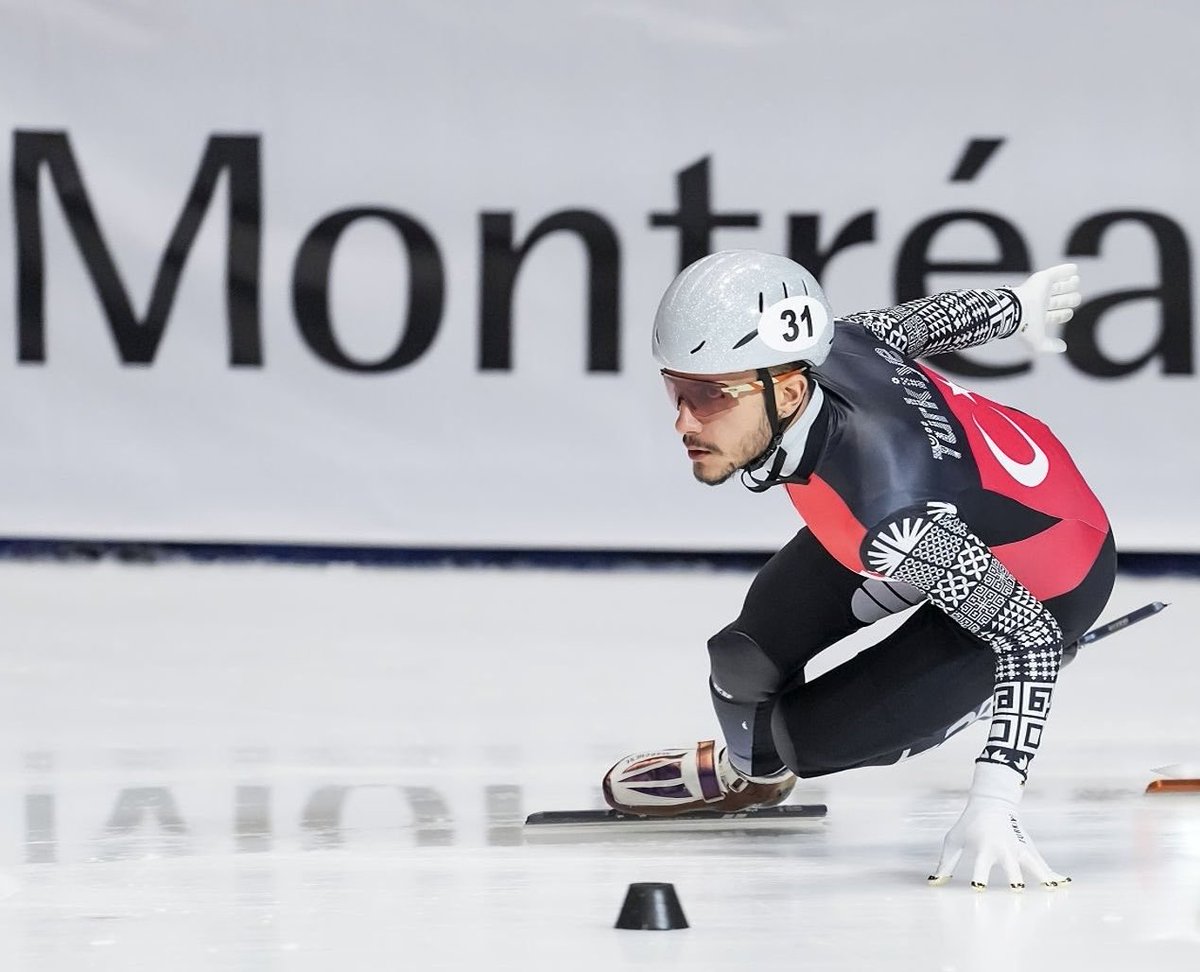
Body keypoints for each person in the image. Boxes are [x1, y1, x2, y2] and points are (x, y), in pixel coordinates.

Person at [603, 251, 1115, 892]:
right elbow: (921, 321)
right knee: (742, 657)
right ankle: (750, 774)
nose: (683, 420)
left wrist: (995, 800)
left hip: (1049, 578)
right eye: (676, 389)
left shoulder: (889, 515)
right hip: (946, 515)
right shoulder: (833, 345)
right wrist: (1021, 306)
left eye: (710, 396)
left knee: (808, 742)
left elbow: (1027, 636)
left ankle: (973, 697)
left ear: (787, 390)